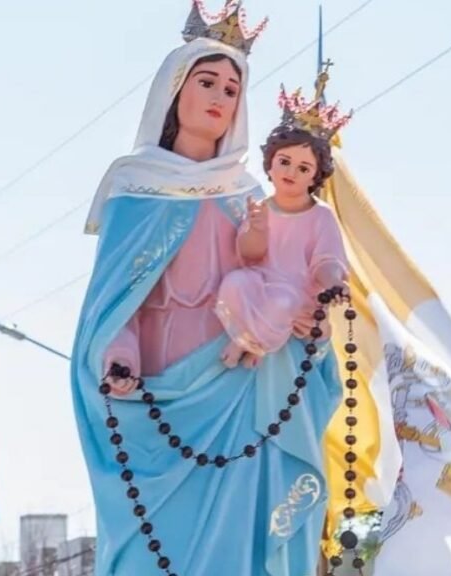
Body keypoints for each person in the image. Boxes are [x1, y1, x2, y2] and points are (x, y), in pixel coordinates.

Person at [70, 3, 346, 574]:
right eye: (208, 82)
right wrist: (119, 358)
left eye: (232, 88)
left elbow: (284, 275)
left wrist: (301, 317)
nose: (221, 97)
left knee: (243, 536)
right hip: (164, 386)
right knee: (157, 546)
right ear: (175, 90)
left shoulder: (243, 194)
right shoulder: (134, 187)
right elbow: (116, 299)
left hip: (242, 384)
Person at [215, 80, 352, 370]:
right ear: (270, 164)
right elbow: (248, 255)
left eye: (303, 168)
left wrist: (334, 285)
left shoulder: (320, 216)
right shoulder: (261, 208)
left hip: (298, 293)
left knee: (284, 303)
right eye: (285, 161)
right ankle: (250, 339)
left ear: (315, 176)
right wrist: (257, 229)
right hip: (259, 282)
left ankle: (248, 343)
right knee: (234, 283)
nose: (291, 172)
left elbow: (326, 261)